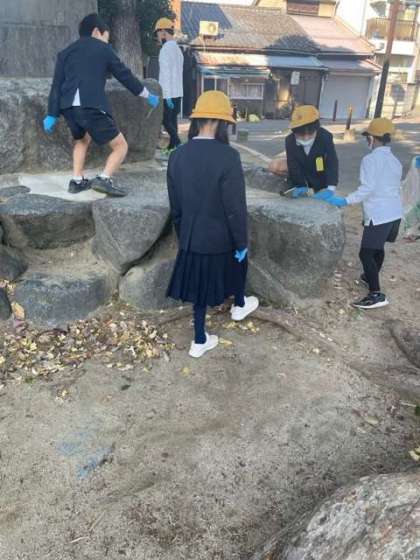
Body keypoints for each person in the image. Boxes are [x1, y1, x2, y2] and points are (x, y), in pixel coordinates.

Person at [166, 91, 259, 358]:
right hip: (221, 240)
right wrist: (241, 242)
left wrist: (184, 237)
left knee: (199, 290)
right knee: (240, 259)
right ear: (221, 122)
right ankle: (239, 305)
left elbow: (176, 206)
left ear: (197, 120)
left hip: (192, 237)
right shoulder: (229, 156)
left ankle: (199, 340)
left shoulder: (177, 155)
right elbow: (235, 208)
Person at [43, 13, 160, 197]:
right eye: (107, 37)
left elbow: (56, 85)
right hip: (91, 105)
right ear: (97, 32)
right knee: (120, 146)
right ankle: (104, 179)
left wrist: (52, 114)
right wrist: (146, 94)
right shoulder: (103, 49)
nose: (107, 41)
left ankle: (77, 181)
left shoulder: (65, 52)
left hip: (69, 108)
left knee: (82, 140)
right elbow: (124, 75)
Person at [324, 118, 403, 310]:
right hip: (394, 213)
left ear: (372, 138)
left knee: (366, 253)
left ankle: (376, 294)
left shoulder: (370, 160)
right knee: (377, 248)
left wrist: (345, 200)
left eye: (368, 137)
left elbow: (367, 189)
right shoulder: (395, 161)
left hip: (379, 213)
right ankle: (369, 277)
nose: (367, 140)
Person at [285, 105, 339, 199]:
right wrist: (300, 185)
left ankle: (319, 186)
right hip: (302, 171)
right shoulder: (290, 141)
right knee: (277, 166)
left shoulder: (325, 137)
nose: (306, 138)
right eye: (301, 134)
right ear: (294, 132)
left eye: (310, 133)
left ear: (316, 129)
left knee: (321, 172)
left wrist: (331, 187)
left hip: (319, 171)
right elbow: (293, 165)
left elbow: (332, 162)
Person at [154, 17, 184, 155]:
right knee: (173, 120)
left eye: (158, 34)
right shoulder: (178, 50)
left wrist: (166, 96)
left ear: (163, 33)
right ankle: (172, 147)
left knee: (165, 120)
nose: (158, 38)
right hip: (178, 92)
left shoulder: (165, 50)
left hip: (168, 93)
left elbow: (165, 75)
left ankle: (177, 143)